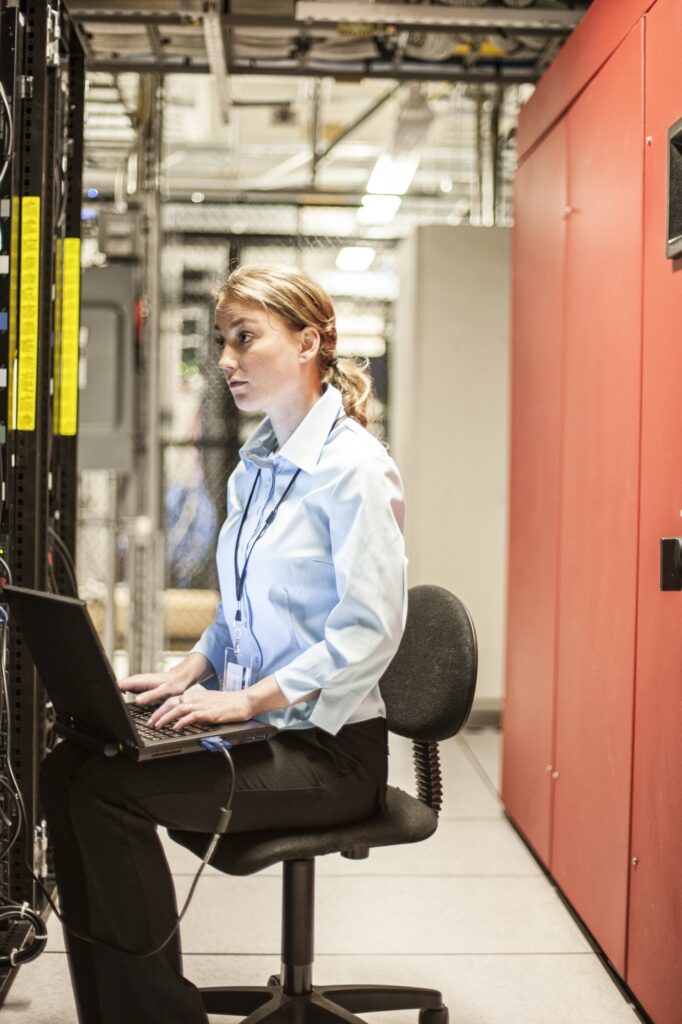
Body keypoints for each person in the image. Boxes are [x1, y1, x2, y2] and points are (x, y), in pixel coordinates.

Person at [39, 264, 408, 1024]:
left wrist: (247, 697)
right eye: (222, 341)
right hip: (260, 730)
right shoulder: (256, 468)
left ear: (310, 342)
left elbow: (371, 629)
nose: (226, 360)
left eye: (246, 338)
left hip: (329, 753)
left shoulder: (355, 472)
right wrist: (192, 669)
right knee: (66, 768)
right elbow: (239, 609)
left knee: (108, 794)